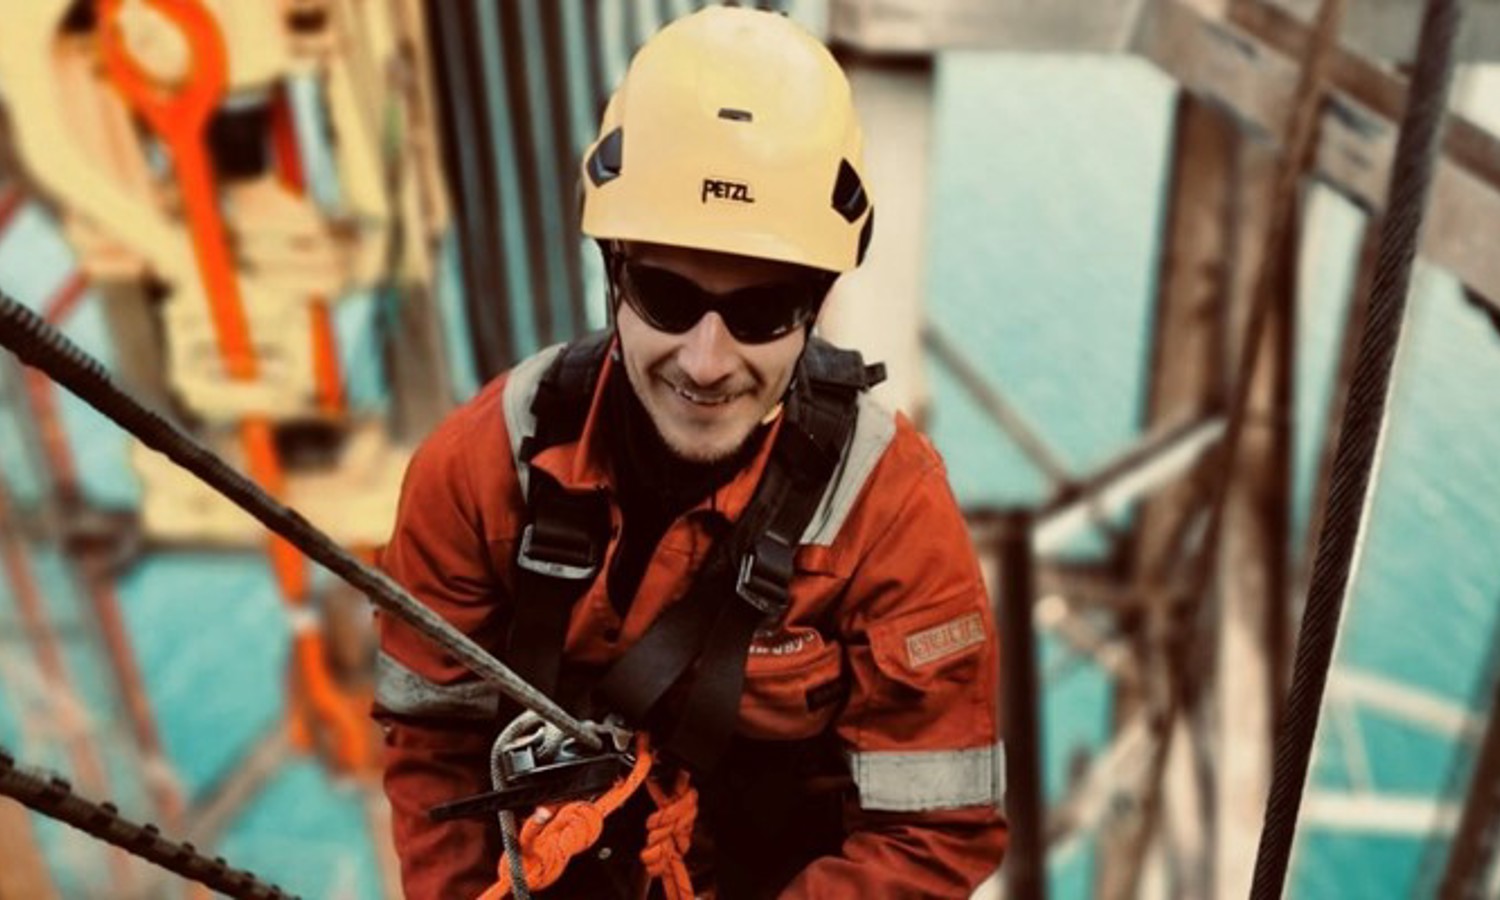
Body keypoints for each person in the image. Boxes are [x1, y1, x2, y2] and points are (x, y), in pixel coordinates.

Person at [373, 7, 1007, 898]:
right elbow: (432, 746)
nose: (706, 363)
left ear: (815, 308)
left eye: (759, 314)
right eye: (667, 296)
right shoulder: (482, 469)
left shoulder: (890, 515)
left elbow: (933, 833)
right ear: (615, 274)